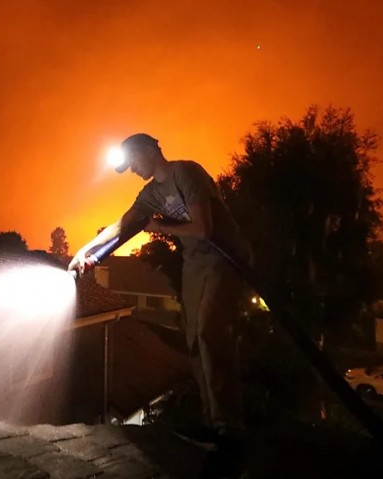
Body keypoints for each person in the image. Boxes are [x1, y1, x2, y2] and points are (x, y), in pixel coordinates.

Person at [69, 133, 252, 452]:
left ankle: (229, 427)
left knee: (211, 334)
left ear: (148, 151)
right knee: (195, 340)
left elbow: (203, 229)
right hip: (195, 264)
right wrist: (85, 252)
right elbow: (122, 225)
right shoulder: (149, 193)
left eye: (133, 163)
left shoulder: (186, 173)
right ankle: (214, 423)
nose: (133, 171)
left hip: (225, 258)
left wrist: (160, 228)